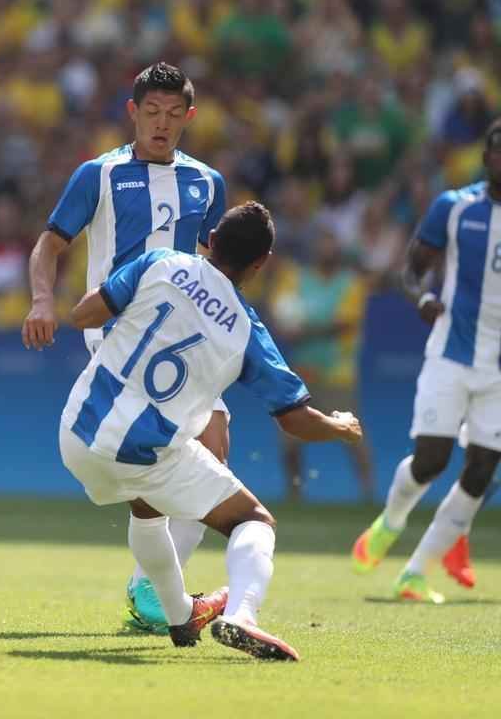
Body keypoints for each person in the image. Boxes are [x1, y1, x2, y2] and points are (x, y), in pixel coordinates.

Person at [60, 202, 363, 660]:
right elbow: (295, 419)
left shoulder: (159, 262)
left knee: (146, 503)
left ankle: (181, 615)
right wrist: (339, 427)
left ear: (212, 238)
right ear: (260, 265)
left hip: (76, 435)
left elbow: (84, 315)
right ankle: (241, 614)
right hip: (143, 453)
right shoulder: (246, 330)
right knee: (254, 520)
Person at [22, 62, 228, 634]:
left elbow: (212, 266)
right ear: (133, 113)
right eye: (151, 113)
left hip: (187, 338)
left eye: (173, 115)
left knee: (216, 451)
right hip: (121, 334)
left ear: (189, 118)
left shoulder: (208, 183)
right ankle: (160, 597)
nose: (161, 125)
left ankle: (150, 587)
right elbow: (50, 243)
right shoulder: (100, 174)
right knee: (164, 464)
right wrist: (42, 300)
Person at [351, 118, 501, 603]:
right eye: (497, 150)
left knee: (481, 470)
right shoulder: (455, 208)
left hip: (498, 370)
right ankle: (390, 523)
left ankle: (415, 571)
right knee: (432, 460)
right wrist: (421, 299)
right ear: (484, 157)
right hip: (451, 353)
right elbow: (412, 270)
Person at [269, 229, 374, 501]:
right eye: (322, 245)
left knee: (352, 433)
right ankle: (294, 491)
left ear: (338, 251)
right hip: (302, 371)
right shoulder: (295, 278)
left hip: (337, 373)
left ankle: (368, 492)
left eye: (331, 245)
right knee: (289, 437)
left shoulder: (351, 283)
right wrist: (288, 327)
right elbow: (280, 316)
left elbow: (344, 324)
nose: (326, 250)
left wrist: (303, 330)